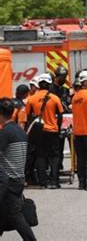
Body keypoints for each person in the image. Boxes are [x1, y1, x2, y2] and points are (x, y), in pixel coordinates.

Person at [0, 98, 37, 240]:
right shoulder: (19, 131)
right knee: (4, 214)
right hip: (18, 177)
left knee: (15, 216)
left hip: (9, 181)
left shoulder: (5, 133)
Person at [25, 73, 64, 189]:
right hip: (52, 130)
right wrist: (58, 128)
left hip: (38, 131)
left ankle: (42, 182)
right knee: (54, 156)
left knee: (40, 155)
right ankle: (54, 181)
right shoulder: (55, 98)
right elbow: (60, 115)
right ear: (49, 84)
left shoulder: (31, 99)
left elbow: (27, 116)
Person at [50, 66, 72, 171]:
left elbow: (68, 104)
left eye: (64, 77)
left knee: (61, 145)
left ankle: (59, 165)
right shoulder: (50, 90)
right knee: (52, 147)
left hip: (62, 122)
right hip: (51, 121)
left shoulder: (65, 90)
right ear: (56, 76)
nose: (63, 79)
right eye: (61, 77)